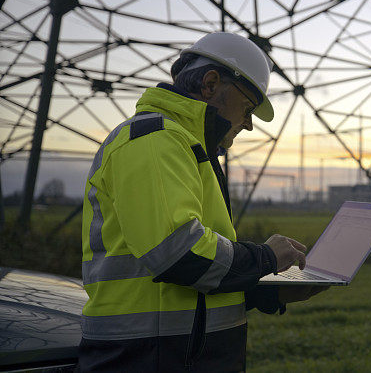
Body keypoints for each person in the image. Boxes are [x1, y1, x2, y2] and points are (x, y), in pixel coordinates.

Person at [78, 32, 326, 372]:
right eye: (248, 108)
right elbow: (178, 254)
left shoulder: (188, 148)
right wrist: (266, 258)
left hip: (173, 353)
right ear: (210, 84)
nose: (250, 125)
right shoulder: (154, 140)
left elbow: (199, 277)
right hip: (148, 358)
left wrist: (266, 291)